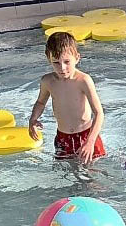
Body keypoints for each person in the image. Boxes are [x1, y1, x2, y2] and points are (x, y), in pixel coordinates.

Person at [28, 31, 106, 163]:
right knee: (65, 172)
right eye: (56, 62)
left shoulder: (83, 80)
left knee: (92, 173)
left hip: (87, 136)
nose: (62, 68)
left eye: (67, 62)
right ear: (49, 59)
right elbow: (40, 103)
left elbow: (99, 113)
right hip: (63, 138)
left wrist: (90, 141)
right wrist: (33, 119)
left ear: (77, 58)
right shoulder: (48, 81)